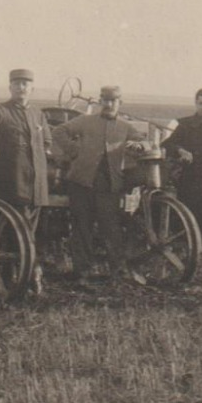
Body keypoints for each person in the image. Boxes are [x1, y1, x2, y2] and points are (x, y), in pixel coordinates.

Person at [51, 85, 149, 283]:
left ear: (120, 103)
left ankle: (117, 271)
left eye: (113, 101)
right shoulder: (86, 121)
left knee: (111, 228)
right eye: (105, 100)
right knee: (82, 228)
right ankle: (82, 273)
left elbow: (144, 142)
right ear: (100, 102)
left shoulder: (124, 126)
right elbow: (59, 131)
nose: (109, 104)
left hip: (109, 186)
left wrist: (139, 146)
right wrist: (74, 150)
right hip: (81, 182)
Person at [0, 69, 53, 290]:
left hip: (37, 187)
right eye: (17, 84)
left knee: (32, 234)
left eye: (26, 84)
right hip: (11, 183)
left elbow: (47, 141)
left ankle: (29, 276)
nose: (22, 88)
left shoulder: (38, 114)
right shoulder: (0, 111)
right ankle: (12, 279)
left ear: (32, 88)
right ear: (10, 87)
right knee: (12, 234)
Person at [162, 87, 202, 240]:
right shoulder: (185, 125)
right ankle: (188, 248)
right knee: (188, 214)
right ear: (196, 104)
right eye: (200, 103)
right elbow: (167, 144)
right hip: (190, 177)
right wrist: (180, 151)